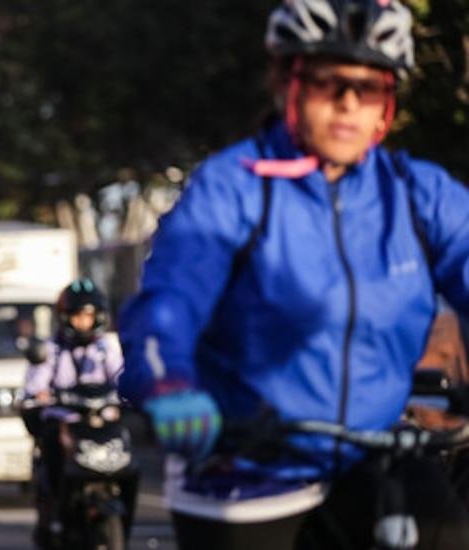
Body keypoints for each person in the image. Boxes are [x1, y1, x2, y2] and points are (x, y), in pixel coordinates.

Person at [117, 1, 469, 548]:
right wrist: (170, 383)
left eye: (368, 87)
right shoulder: (233, 189)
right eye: (329, 83)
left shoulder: (418, 195)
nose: (348, 103)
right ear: (288, 84)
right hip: (243, 463)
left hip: (371, 452)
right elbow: (170, 304)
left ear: (387, 104)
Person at [23, 279, 126, 548]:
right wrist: (40, 395)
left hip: (99, 422)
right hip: (65, 425)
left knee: (125, 445)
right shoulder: (52, 349)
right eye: (78, 316)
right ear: (66, 318)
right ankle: (54, 512)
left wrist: (135, 391)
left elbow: (122, 377)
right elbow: (35, 386)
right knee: (53, 450)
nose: (83, 322)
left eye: (89, 316)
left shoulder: (106, 348)